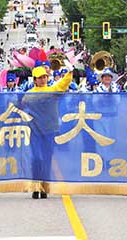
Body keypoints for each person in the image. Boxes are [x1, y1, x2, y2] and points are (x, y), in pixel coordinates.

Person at [27, 64, 73, 199]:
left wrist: (70, 73)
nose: (43, 80)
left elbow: (62, 85)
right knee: (36, 158)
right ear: (34, 80)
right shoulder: (29, 95)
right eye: (40, 78)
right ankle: (36, 187)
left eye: (45, 77)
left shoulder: (52, 90)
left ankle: (45, 187)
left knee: (47, 159)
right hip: (35, 131)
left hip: (49, 130)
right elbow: (20, 105)